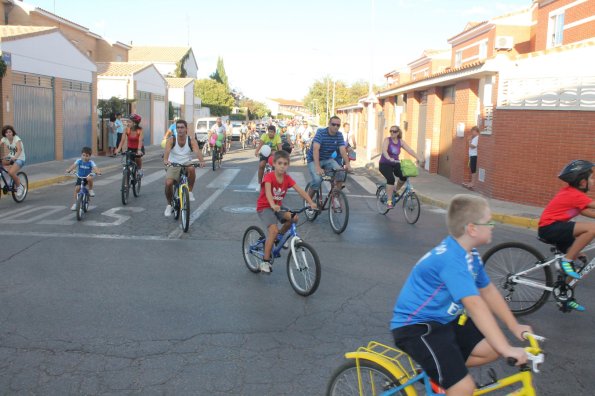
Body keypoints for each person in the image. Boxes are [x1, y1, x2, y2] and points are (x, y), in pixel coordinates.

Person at [391, 194, 532, 396]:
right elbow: (475, 305)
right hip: (417, 327)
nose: (493, 225)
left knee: (493, 349)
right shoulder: (452, 260)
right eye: (488, 221)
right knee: (464, 387)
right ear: (472, 228)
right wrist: (508, 349)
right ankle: (443, 373)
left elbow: (488, 291)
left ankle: (438, 370)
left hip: (445, 320)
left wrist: (513, 325)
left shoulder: (470, 254)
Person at [537, 160, 595, 311]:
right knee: (592, 229)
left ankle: (564, 296)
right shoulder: (574, 194)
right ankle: (566, 260)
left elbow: (588, 212)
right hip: (550, 228)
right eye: (591, 178)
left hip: (559, 229)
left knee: (581, 262)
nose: (593, 181)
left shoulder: (574, 196)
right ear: (583, 182)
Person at [256, 150, 317, 273]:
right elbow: (268, 192)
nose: (282, 166)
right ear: (274, 164)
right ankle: (265, 261)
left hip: (278, 206)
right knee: (272, 230)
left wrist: (311, 202)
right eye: (280, 163)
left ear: (288, 165)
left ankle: (279, 236)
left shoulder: (287, 178)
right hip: (265, 207)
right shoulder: (269, 177)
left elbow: (300, 190)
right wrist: (272, 204)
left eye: (285, 163)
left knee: (294, 218)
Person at [163, 119, 206, 216]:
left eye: (182, 127)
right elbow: (167, 151)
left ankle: (189, 192)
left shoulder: (191, 140)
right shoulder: (171, 140)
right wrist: (166, 160)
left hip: (186, 162)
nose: (180, 130)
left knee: (191, 168)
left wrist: (201, 161)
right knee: (168, 183)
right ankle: (169, 205)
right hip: (173, 163)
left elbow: (197, 151)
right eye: (178, 128)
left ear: (186, 129)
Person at [379, 125, 423, 209]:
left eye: (394, 131)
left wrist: (419, 158)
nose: (392, 133)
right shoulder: (387, 140)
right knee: (391, 179)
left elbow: (410, 150)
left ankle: (395, 191)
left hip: (395, 163)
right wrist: (388, 158)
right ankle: (389, 201)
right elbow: (384, 150)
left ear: (398, 133)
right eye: (390, 131)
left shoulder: (400, 142)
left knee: (404, 176)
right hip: (385, 164)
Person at [306, 116, 352, 196]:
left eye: (338, 125)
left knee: (341, 174)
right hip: (313, 160)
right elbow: (315, 149)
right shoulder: (321, 132)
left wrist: (348, 164)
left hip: (327, 159)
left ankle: (335, 198)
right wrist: (318, 167)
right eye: (333, 124)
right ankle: (308, 201)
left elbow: (342, 150)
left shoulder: (339, 135)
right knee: (317, 180)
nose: (335, 127)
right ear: (329, 124)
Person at [0, 125, 26, 196]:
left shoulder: (16, 139)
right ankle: (8, 181)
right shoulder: (4, 139)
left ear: (12, 132)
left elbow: (19, 150)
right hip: (10, 157)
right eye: (6, 132)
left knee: (11, 172)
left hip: (20, 158)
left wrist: (15, 157)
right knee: (2, 164)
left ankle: (20, 187)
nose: (8, 133)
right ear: (4, 134)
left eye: (9, 132)